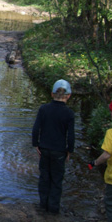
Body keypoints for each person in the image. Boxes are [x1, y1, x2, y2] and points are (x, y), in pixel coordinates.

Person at [32, 79, 75, 214]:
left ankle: (43, 205)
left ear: (52, 94)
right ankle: (54, 208)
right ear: (68, 96)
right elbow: (71, 136)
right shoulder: (69, 113)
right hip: (59, 151)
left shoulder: (44, 109)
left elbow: (35, 129)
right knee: (57, 180)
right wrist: (69, 151)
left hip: (44, 149)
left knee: (44, 177)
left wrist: (35, 145)